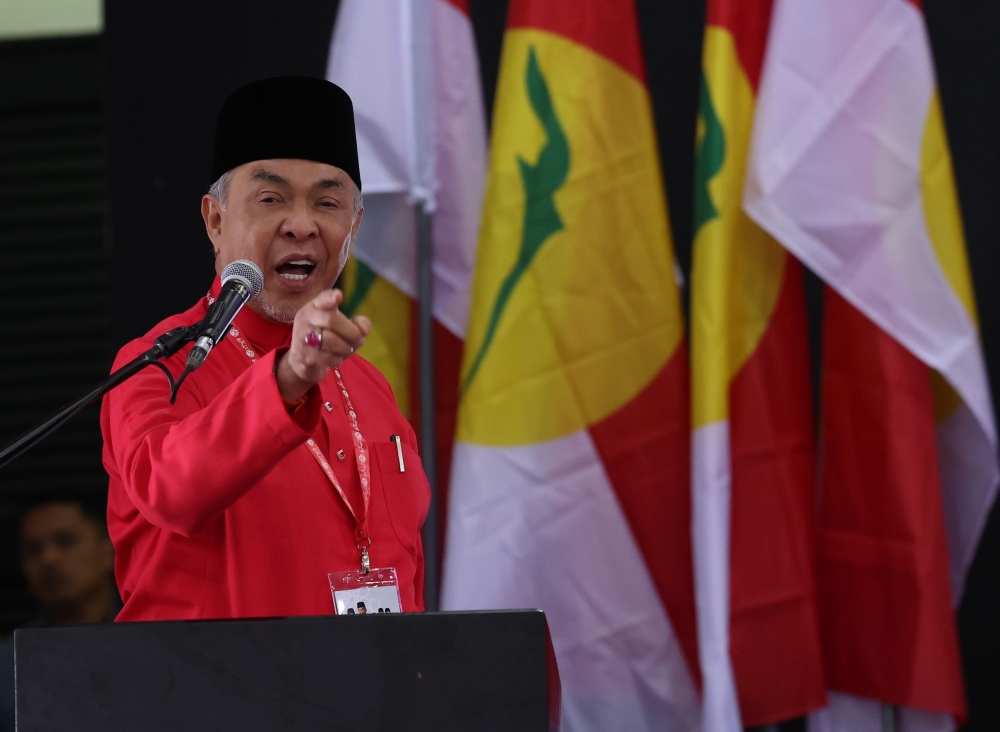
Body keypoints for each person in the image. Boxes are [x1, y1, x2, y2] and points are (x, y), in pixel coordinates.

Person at [101, 76, 431, 622]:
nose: (301, 225)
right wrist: (286, 380)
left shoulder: (370, 385)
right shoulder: (159, 365)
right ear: (215, 219)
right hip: (214, 701)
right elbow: (170, 490)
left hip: (372, 699)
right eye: (271, 199)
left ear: (354, 227)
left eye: (327, 203)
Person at [0, 492, 121, 732]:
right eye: (33, 549)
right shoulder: (6, 665)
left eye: (65, 541)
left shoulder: (159, 641)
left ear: (108, 550)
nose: (48, 559)